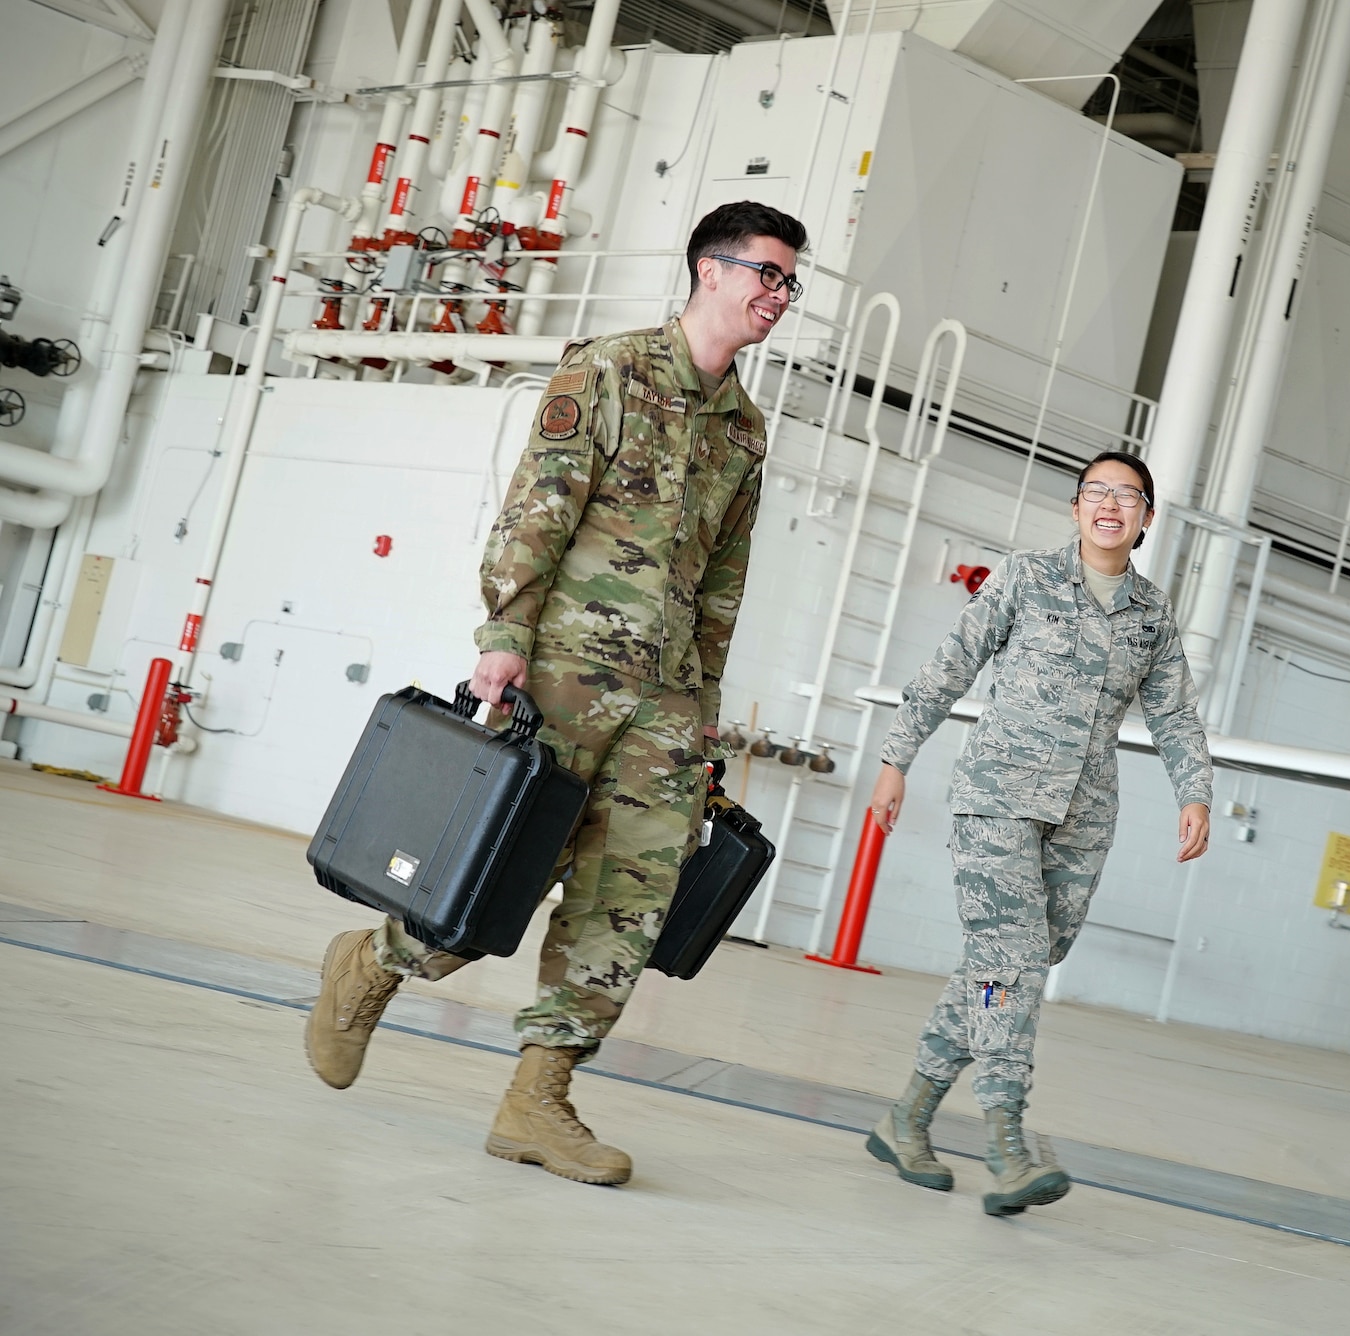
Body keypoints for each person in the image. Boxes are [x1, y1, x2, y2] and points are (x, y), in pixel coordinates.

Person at [304, 200, 809, 1187]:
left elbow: (721, 580)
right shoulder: (609, 369)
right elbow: (538, 507)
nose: (778, 296)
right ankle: (371, 965)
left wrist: (699, 711)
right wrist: (502, 638)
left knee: (628, 897)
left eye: (789, 281)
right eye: (767, 274)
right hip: (567, 671)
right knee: (499, 872)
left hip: (663, 703)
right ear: (711, 269)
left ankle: (539, 1098)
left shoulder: (744, 430)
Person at [862, 450, 1213, 1216]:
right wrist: (896, 759)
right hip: (997, 799)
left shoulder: (1151, 616)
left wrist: (1196, 793)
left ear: (1147, 518)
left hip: (1082, 819)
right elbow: (950, 665)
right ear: (1077, 507)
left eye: (1127, 496)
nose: (1109, 505)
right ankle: (1006, 1140)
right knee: (1012, 959)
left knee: (1004, 967)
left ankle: (908, 1116)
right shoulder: (1025, 578)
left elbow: (1176, 714)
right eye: (1096, 492)